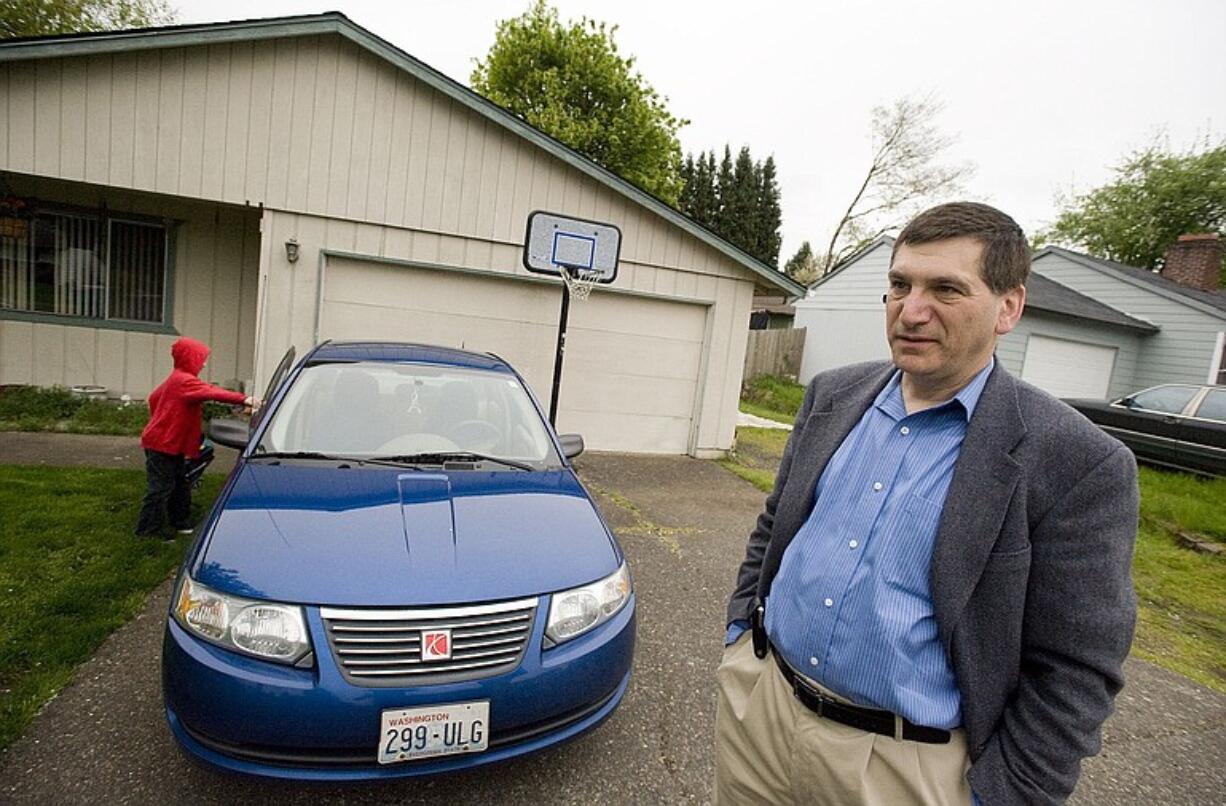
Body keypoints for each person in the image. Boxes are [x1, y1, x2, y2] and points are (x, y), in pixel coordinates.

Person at [717, 202, 1138, 805]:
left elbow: (1076, 667)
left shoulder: (1076, 461)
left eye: (946, 289)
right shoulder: (832, 396)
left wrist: (1003, 794)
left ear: (1009, 308)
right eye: (899, 285)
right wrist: (740, 636)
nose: (911, 312)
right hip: (760, 716)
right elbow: (776, 523)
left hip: (906, 768)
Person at [134, 337, 259, 539]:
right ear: (189, 358)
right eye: (200, 358)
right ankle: (148, 531)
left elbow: (154, 398)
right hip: (161, 444)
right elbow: (211, 392)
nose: (203, 363)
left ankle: (180, 521)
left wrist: (164, 417)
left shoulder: (178, 378)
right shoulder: (184, 381)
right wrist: (245, 399)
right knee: (160, 488)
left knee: (180, 483)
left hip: (169, 442)